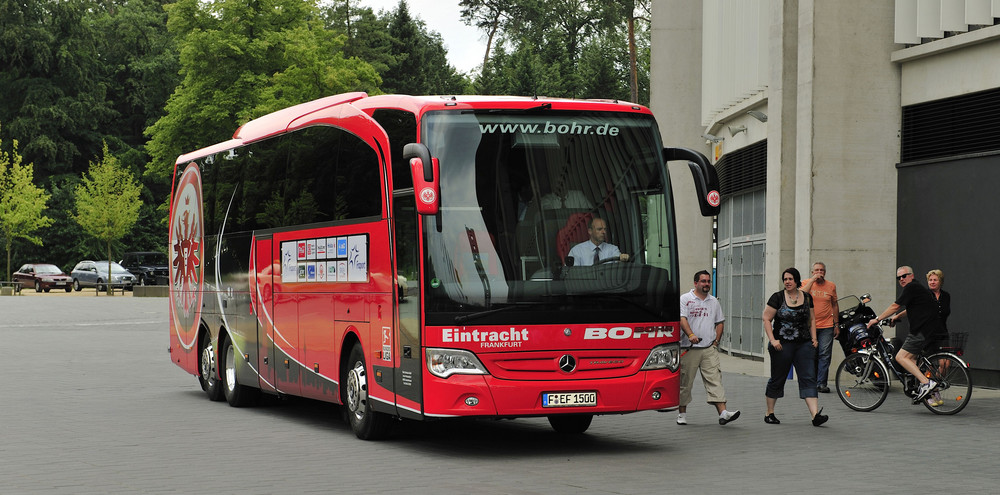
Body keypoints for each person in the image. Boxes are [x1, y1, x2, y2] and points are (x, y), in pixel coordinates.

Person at [867, 266, 946, 404]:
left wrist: (877, 319)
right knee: (914, 361)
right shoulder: (918, 288)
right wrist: (896, 318)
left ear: (912, 275)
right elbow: (911, 309)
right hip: (930, 330)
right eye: (899, 278)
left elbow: (895, 306)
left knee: (900, 357)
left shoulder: (911, 287)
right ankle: (933, 396)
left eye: (904, 276)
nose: (901, 279)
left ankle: (926, 383)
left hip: (921, 330)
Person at [762, 267, 828, 426]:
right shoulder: (777, 297)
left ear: (797, 281)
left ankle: (815, 415)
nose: (787, 282)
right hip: (782, 345)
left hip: (803, 344)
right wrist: (773, 340)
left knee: (808, 377)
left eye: (790, 279)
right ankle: (769, 413)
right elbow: (766, 318)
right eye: (785, 279)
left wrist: (814, 338)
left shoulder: (806, 297)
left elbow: (812, 319)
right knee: (778, 378)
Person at [676, 270, 741, 426]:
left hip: (708, 349)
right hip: (689, 348)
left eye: (708, 281)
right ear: (696, 283)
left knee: (715, 380)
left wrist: (716, 342)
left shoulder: (713, 301)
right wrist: (691, 335)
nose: (706, 284)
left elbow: (720, 322)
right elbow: (682, 319)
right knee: (685, 382)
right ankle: (682, 414)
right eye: (703, 281)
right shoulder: (685, 299)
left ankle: (723, 413)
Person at [800, 262, 839, 393]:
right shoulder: (806, 282)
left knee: (825, 354)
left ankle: (822, 383)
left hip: (827, 326)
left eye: (822, 270)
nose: (819, 272)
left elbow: (834, 305)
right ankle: (811, 382)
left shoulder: (831, 286)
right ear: (812, 272)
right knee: (811, 354)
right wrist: (812, 281)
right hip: (810, 326)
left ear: (825, 272)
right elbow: (800, 295)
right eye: (816, 270)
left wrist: (836, 324)